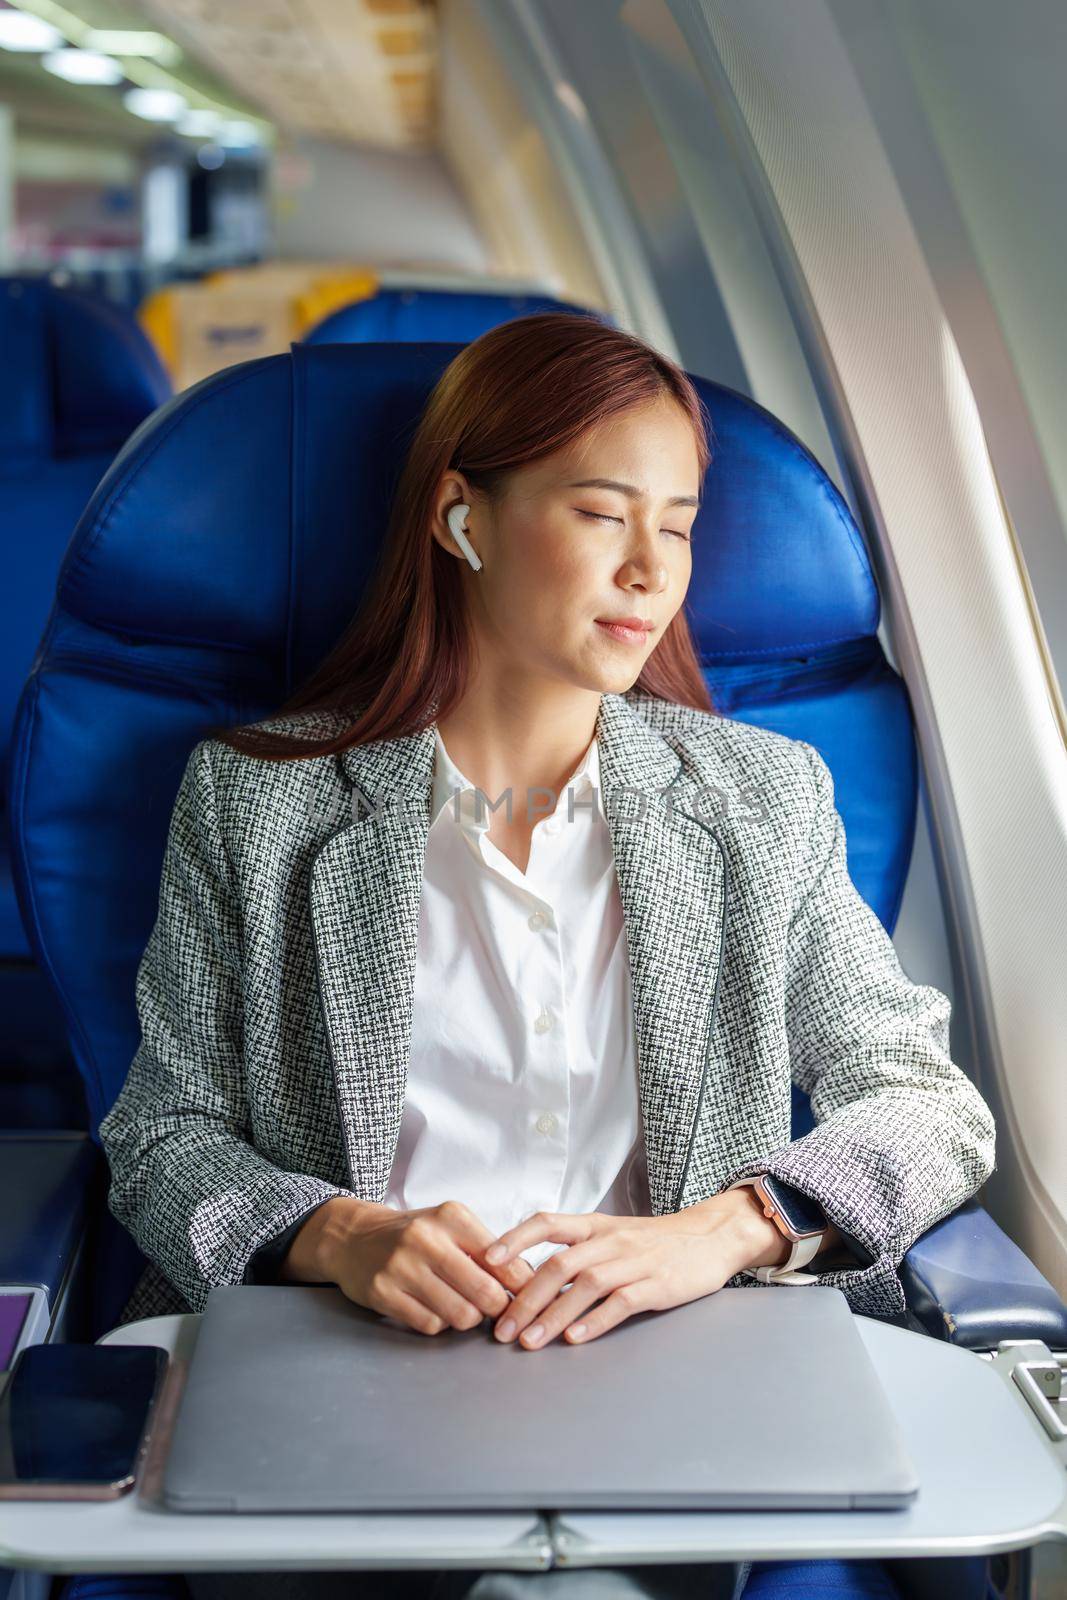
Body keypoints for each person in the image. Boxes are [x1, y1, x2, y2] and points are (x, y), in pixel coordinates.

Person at [99, 312, 996, 1600]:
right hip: (358, 1355)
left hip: (678, 1358)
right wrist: (339, 1236)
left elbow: (930, 1105)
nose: (652, 570)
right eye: (600, 514)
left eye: (678, 525)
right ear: (460, 517)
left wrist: (727, 1231)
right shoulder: (257, 805)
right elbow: (162, 1133)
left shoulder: (760, 803)